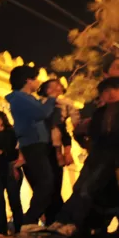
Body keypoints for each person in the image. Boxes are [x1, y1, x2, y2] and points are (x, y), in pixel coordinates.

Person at [51, 77, 119, 236]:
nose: (110, 93)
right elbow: (92, 136)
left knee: (97, 190)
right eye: (105, 91)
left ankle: (74, 223)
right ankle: (68, 222)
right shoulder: (100, 113)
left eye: (115, 89)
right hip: (100, 157)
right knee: (83, 188)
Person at [5, 66, 56, 233]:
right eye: (36, 78)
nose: (38, 82)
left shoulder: (28, 98)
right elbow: (41, 113)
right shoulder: (19, 98)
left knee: (44, 184)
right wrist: (52, 98)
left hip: (37, 144)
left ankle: (49, 220)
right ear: (28, 80)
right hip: (33, 145)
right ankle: (30, 220)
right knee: (46, 182)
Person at [38, 79, 74, 226]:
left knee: (54, 185)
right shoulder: (42, 105)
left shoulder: (62, 105)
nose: (57, 89)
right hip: (43, 149)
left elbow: (62, 129)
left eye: (58, 87)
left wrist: (66, 150)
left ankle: (55, 219)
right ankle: (55, 218)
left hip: (53, 149)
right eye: (52, 87)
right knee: (50, 186)